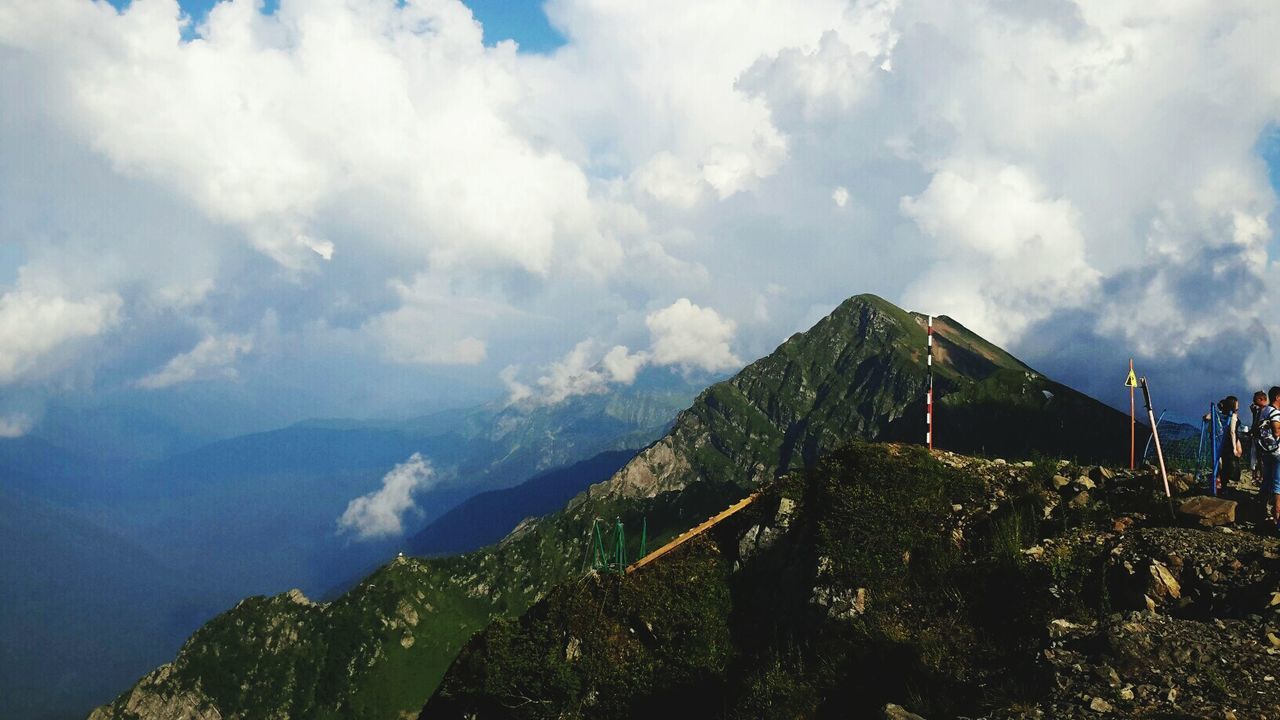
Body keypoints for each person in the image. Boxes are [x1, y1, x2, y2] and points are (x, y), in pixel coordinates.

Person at [1259, 386, 1280, 528]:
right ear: (1278, 397)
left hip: (1265, 450)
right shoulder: (1275, 412)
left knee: (1267, 481)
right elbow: (1277, 431)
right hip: (1277, 451)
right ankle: (1277, 516)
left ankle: (1261, 511)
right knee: (1278, 484)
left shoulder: (1264, 410)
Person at [1217, 396, 1242, 492]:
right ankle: (1225, 484)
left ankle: (1224, 484)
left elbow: (1207, 417)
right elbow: (1233, 432)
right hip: (1230, 441)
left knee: (1225, 462)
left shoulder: (1223, 415)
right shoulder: (1233, 416)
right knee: (1228, 463)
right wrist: (1234, 447)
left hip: (1224, 440)